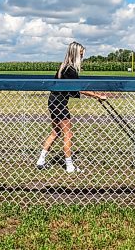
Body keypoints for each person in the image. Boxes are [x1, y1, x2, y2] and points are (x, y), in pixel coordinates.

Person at [36, 41, 107, 173]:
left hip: (53, 101)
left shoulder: (63, 67)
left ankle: (41, 160)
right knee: (68, 133)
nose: (82, 57)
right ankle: (69, 166)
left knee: (56, 132)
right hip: (60, 103)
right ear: (75, 54)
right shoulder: (70, 69)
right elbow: (80, 88)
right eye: (81, 54)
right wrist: (97, 95)